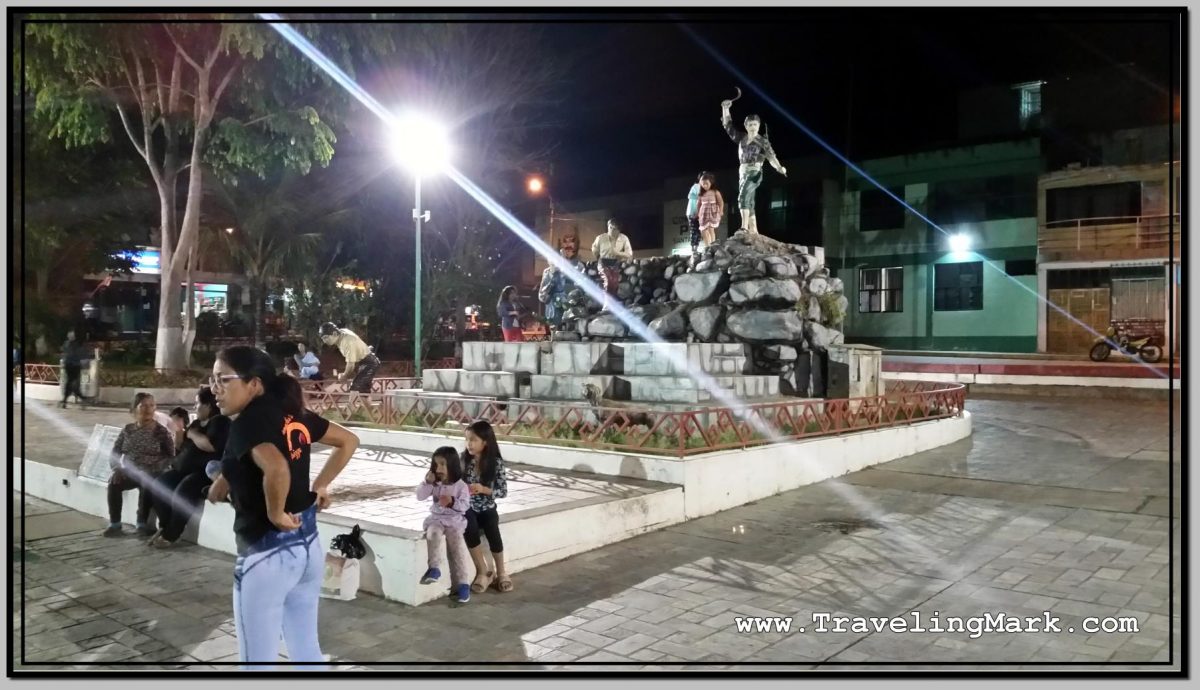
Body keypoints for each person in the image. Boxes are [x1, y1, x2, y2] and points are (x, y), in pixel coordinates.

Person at [205, 345, 359, 668]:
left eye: (223, 380)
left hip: (266, 554)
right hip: (307, 548)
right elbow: (349, 441)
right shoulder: (291, 412)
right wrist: (320, 485)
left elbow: (276, 468)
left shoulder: (246, 423)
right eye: (212, 380)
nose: (214, 389)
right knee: (306, 652)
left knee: (257, 664)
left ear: (254, 384)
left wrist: (275, 511)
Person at [148, 387, 231, 548]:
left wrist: (192, 434)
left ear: (208, 405)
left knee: (184, 490)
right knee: (160, 485)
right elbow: (183, 446)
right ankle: (166, 525)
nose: (194, 407)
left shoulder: (220, 421)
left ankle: (171, 534)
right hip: (183, 469)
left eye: (197, 403)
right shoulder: (196, 423)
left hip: (203, 472)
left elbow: (210, 446)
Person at [105, 392, 175, 538]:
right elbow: (115, 453)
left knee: (147, 480)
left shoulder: (161, 432)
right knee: (114, 483)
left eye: (151, 405)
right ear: (135, 409)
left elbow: (171, 456)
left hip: (152, 472)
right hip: (130, 471)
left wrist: (156, 467)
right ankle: (115, 524)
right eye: (143, 405)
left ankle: (142, 524)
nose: (148, 409)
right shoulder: (128, 430)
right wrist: (117, 468)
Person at [720, 98, 787, 235]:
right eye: (750, 124)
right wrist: (725, 109)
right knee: (749, 201)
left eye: (755, 124)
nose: (753, 127)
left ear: (759, 125)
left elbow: (771, 157)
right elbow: (728, 127)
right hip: (742, 172)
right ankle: (754, 230)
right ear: (746, 126)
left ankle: (744, 227)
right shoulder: (742, 138)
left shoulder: (763, 142)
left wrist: (779, 167)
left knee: (743, 196)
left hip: (755, 172)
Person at [416, 446, 472, 605]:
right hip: (436, 519)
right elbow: (419, 496)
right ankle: (434, 568)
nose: (438, 468)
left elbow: (465, 506)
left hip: (455, 521)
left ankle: (463, 583)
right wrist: (427, 482)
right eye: (436, 464)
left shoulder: (461, 486)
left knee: (458, 547)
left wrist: (452, 502)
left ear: (452, 465)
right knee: (433, 534)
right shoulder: (434, 484)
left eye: (442, 464)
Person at [461, 420, 512, 594]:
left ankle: (502, 572)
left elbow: (503, 491)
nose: (469, 444)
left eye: (473, 440)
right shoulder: (464, 460)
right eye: (467, 439)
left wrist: (484, 490)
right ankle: (482, 571)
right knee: (469, 526)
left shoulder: (495, 463)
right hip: (468, 507)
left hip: (487, 506)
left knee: (492, 526)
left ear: (485, 442)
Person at [318, 322, 379, 393]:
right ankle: (352, 404)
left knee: (356, 387)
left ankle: (351, 404)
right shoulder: (341, 334)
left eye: (326, 337)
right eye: (323, 339)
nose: (325, 341)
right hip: (363, 361)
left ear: (334, 333)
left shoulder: (347, 342)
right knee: (361, 390)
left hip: (369, 363)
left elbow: (350, 365)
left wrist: (344, 375)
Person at [537, 245, 583, 329]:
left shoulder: (565, 271)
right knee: (555, 324)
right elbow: (542, 292)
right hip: (552, 303)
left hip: (566, 300)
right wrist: (552, 276)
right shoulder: (547, 272)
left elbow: (574, 281)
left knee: (568, 322)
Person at [590, 219, 633, 300]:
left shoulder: (624, 238)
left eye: (615, 229)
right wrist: (598, 257)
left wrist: (618, 253)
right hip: (603, 262)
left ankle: (613, 302)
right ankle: (607, 304)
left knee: (615, 284)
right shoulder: (600, 238)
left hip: (615, 262)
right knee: (609, 282)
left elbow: (629, 253)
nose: (612, 230)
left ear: (619, 230)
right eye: (610, 227)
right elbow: (594, 249)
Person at [696, 172, 725, 251]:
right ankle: (707, 246)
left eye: (706, 183)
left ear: (711, 183)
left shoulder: (716, 192)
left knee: (711, 229)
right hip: (703, 214)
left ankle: (713, 244)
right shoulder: (700, 194)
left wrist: (721, 210)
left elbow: (720, 202)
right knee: (703, 230)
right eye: (703, 184)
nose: (705, 185)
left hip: (713, 212)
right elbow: (698, 204)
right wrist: (698, 214)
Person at [60, 330, 88, 409]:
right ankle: (81, 399)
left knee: (71, 384)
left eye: (71, 335)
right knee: (71, 383)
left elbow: (78, 355)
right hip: (70, 365)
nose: (70, 337)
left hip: (74, 366)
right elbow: (65, 353)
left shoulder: (75, 344)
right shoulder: (68, 344)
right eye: (70, 335)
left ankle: (65, 401)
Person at [685, 176, 703, 257]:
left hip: (700, 213)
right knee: (694, 230)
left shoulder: (706, 188)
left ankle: (696, 247)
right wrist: (700, 197)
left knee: (698, 231)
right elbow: (690, 196)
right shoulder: (696, 186)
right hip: (692, 212)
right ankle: (693, 248)